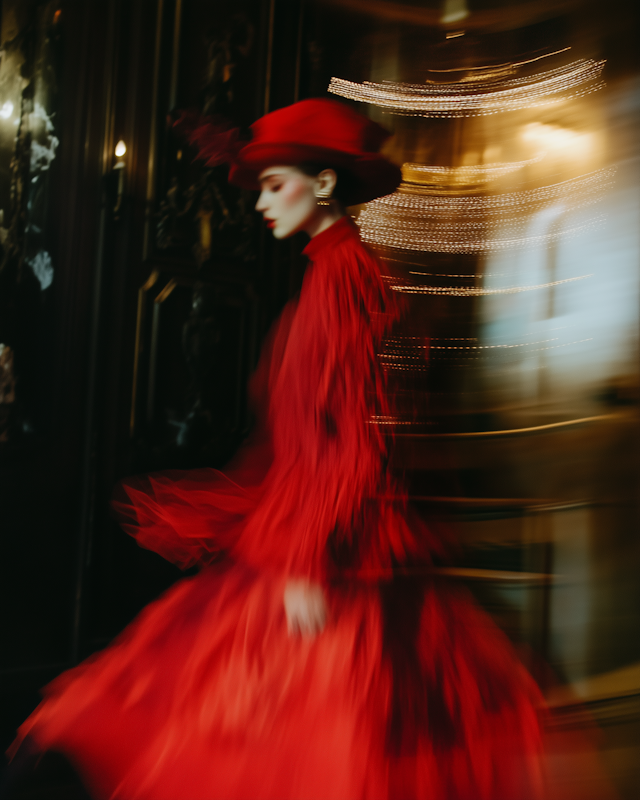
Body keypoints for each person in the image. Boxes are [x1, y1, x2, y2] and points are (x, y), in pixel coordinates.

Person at [6, 98, 545, 800]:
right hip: (301, 538)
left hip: (326, 554)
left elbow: (353, 436)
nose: (260, 202)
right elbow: (301, 433)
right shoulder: (328, 275)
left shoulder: (346, 277)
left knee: (308, 735)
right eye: (258, 186)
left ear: (323, 185)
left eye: (273, 183)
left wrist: (309, 562)